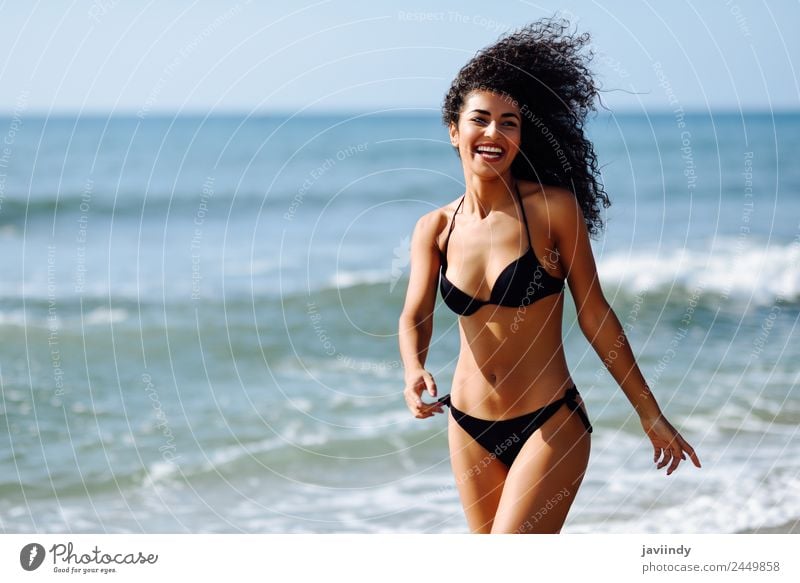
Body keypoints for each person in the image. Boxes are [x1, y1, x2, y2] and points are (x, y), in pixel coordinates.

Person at [397, 18, 701, 534]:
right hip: (467, 425)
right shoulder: (436, 229)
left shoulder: (552, 212)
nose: (494, 133)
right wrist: (413, 368)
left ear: (521, 136)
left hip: (549, 420)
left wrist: (649, 413)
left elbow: (595, 313)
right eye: (481, 119)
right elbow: (414, 314)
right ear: (454, 130)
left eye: (509, 122)